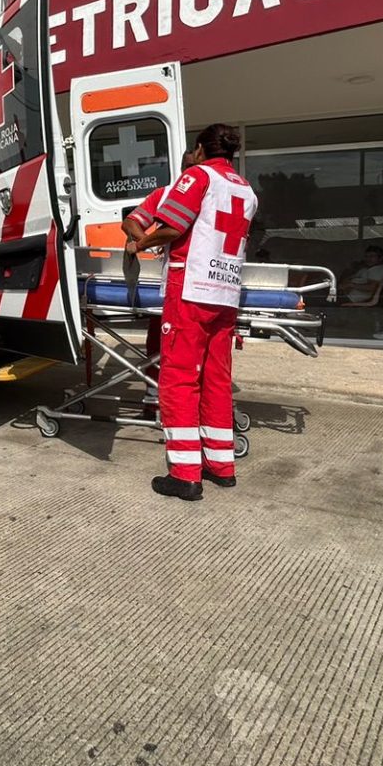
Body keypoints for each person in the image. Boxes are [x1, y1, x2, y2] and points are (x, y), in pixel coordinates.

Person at [128, 124, 258, 502]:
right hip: (225, 292)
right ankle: (221, 466)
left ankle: (185, 475)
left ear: (200, 150)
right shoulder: (245, 189)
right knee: (216, 378)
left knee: (179, 378)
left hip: (192, 290)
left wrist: (140, 244)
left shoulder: (197, 176)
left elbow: (171, 228)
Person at [121, 152, 202, 372]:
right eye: (188, 167)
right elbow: (130, 222)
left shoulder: (214, 195)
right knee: (161, 339)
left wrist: (141, 245)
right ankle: (153, 390)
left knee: (194, 350)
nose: (192, 172)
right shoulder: (166, 194)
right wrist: (147, 241)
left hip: (200, 281)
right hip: (173, 282)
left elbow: (174, 230)